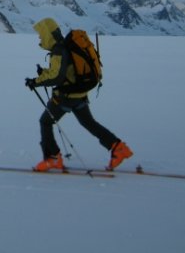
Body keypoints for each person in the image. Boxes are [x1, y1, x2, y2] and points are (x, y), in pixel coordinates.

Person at [25, 18, 133, 172]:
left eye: (41, 35)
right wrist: (44, 73)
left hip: (66, 97)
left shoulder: (58, 51)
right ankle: (118, 148)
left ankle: (52, 158)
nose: (40, 38)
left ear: (47, 34)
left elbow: (57, 77)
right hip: (80, 93)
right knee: (89, 123)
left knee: (45, 122)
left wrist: (35, 81)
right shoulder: (67, 47)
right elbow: (65, 72)